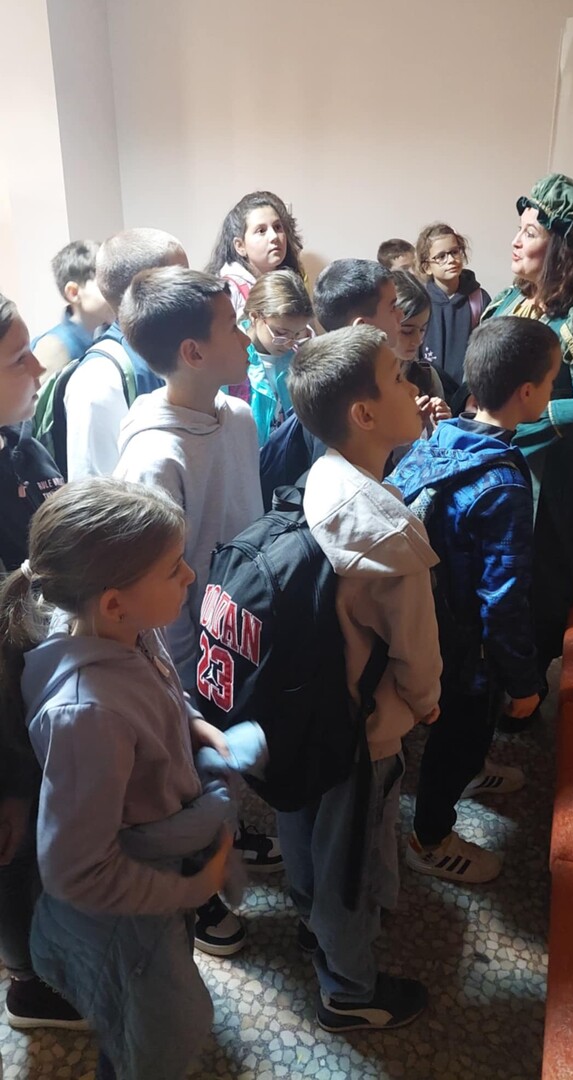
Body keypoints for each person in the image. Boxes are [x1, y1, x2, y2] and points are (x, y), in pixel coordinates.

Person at [0, 477, 235, 1079]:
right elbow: (77, 870)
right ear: (113, 602)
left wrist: (192, 723)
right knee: (142, 1030)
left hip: (158, 878)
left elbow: (161, 687)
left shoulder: (124, 630)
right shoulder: (88, 715)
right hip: (132, 906)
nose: (190, 576)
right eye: (174, 569)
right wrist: (192, 888)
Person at [280, 324, 442, 1032]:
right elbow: (417, 654)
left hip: (304, 705)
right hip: (362, 730)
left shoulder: (319, 474)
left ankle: (311, 924)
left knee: (306, 826)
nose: (414, 387)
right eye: (399, 376)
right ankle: (349, 990)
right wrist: (428, 707)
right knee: (355, 857)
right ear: (365, 413)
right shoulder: (390, 532)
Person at [115, 266, 280, 956]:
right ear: (192, 351)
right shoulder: (154, 454)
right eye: (232, 326)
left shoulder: (235, 417)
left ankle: (231, 832)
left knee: (227, 761)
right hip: (187, 648)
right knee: (188, 774)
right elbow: (154, 587)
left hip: (237, 625)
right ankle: (202, 894)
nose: (245, 336)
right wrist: (185, 680)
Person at [389, 317, 561, 881]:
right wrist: (525, 683)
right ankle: (429, 839)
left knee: (461, 730)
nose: (553, 391)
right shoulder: (503, 484)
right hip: (470, 650)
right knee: (459, 737)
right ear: (527, 392)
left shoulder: (440, 436)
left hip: (428, 625)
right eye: (552, 382)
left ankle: (470, 767)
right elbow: (503, 600)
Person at [482, 174, 573, 700]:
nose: (516, 241)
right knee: (500, 567)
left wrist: (516, 423)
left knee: (542, 573)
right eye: (519, 229)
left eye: (530, 233)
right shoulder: (510, 298)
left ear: (559, 248)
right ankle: (497, 669)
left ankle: (529, 687)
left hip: (562, 469)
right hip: (509, 455)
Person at [0, 294, 83, 1031]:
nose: (38, 367)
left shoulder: (20, 442)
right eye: (16, 357)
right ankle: (27, 982)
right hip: (6, 719)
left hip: (38, 683)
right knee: (14, 847)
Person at [259, 259, 403, 507]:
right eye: (392, 307)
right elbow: (338, 502)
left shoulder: (361, 384)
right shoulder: (337, 400)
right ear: (363, 327)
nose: (401, 314)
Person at [64, 227, 188, 479]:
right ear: (142, 290)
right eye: (181, 278)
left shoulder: (177, 350)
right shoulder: (99, 379)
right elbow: (94, 489)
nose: (192, 288)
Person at [415, 222, 490, 397]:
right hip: (430, 393)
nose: (451, 260)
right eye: (441, 256)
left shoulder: (478, 299)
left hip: (469, 394)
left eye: (454, 252)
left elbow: (487, 352)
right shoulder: (420, 301)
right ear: (427, 267)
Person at [243, 269, 314, 445]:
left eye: (297, 334)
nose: (289, 343)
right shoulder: (232, 358)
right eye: (281, 333)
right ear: (255, 316)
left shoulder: (297, 358)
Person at [207, 191, 304, 320]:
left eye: (277, 227)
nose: (274, 236)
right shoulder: (228, 290)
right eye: (261, 231)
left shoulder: (293, 281)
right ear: (240, 246)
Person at [31, 240, 113, 381]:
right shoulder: (55, 347)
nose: (115, 292)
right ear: (73, 293)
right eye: (105, 284)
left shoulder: (106, 335)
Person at [391, 270, 450, 440]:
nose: (418, 340)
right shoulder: (365, 382)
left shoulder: (426, 376)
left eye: (422, 329)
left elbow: (437, 442)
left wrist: (441, 423)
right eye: (407, 331)